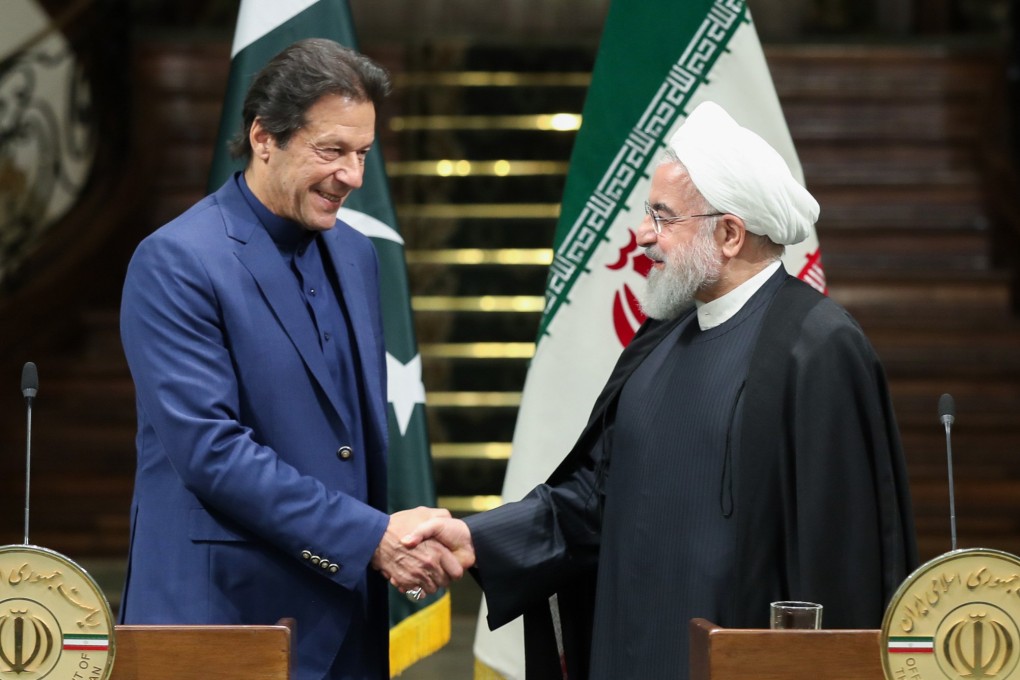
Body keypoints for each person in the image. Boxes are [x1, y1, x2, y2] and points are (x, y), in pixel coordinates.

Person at [403, 101, 918, 679]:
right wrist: (474, 537)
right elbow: (593, 499)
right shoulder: (662, 334)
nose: (644, 236)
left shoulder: (819, 347)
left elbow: (837, 558)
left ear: (728, 233)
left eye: (663, 217)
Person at [118, 39, 461, 680]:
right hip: (224, 621)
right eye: (331, 151)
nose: (353, 177)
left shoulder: (357, 253)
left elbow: (350, 441)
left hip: (345, 624)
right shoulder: (176, 261)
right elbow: (212, 452)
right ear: (262, 137)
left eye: (362, 154)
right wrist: (369, 537)